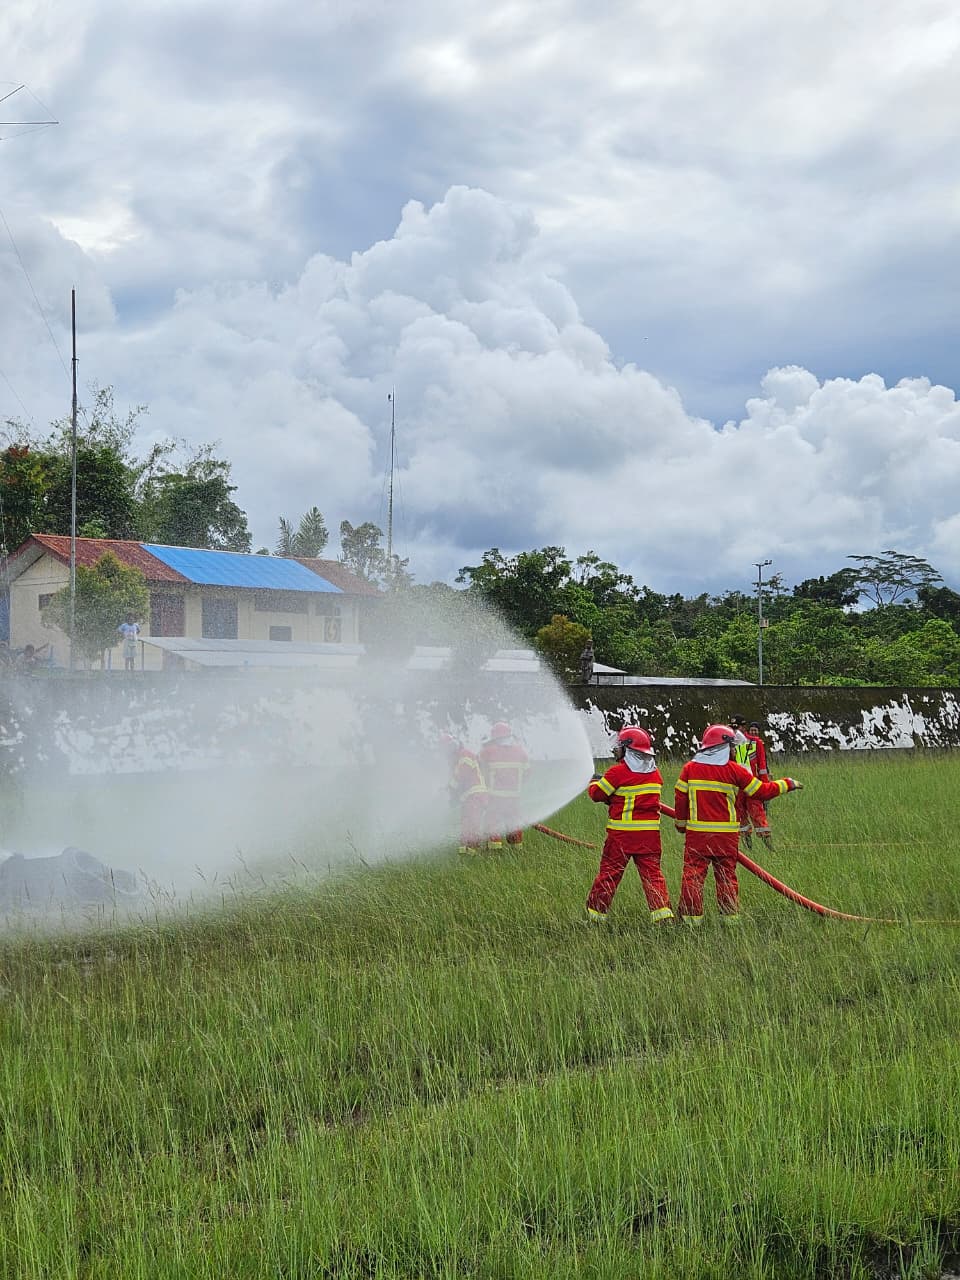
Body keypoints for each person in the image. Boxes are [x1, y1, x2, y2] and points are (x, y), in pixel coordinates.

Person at [673, 724, 802, 925]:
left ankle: (691, 922)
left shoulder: (689, 769)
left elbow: (680, 800)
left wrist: (681, 825)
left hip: (697, 837)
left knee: (693, 877)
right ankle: (730, 921)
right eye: (732, 747)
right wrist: (788, 784)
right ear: (724, 747)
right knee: (726, 878)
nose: (735, 751)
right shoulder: (735, 770)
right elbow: (762, 791)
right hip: (726, 837)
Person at [585, 726, 673, 923]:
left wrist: (593, 782)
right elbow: (632, 796)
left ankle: (595, 917)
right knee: (653, 877)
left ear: (629, 749)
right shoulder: (655, 774)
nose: (615, 751)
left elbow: (597, 795)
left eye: (619, 747)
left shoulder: (617, 773)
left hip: (621, 837)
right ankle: (663, 916)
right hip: (649, 837)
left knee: (609, 875)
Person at [479, 721, 529, 848]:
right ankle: (517, 850)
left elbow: (480, 770)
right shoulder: (520, 752)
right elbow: (527, 773)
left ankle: (495, 853)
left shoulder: (488, 751)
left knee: (493, 824)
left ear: (495, 738)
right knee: (514, 824)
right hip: (514, 797)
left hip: (495, 798)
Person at [731, 715, 774, 852]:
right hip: (737, 787)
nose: (735, 730)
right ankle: (749, 849)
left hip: (752, 784)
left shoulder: (756, 743)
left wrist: (765, 787)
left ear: (743, 727)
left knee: (757, 813)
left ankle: (769, 848)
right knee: (741, 816)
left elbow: (762, 766)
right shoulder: (729, 742)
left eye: (737, 727)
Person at [441, 733, 487, 854]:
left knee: (473, 823)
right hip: (467, 797)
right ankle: (464, 852)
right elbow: (455, 778)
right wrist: (451, 794)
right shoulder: (456, 760)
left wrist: (450, 789)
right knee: (465, 823)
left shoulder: (465, 755)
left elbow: (461, 775)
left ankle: (474, 852)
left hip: (476, 794)